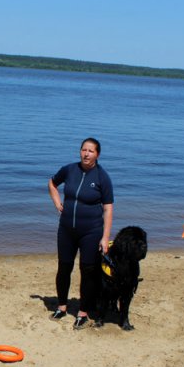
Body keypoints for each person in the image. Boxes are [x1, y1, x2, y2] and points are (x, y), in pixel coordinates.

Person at [47, 137, 114, 329]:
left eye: (91, 151)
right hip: (66, 229)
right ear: (80, 152)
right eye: (84, 150)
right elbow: (52, 184)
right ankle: (61, 307)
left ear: (97, 154)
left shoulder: (102, 177)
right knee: (64, 268)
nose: (86, 153)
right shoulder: (69, 170)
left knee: (88, 272)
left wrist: (105, 237)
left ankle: (83, 313)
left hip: (91, 232)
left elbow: (108, 209)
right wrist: (57, 202)